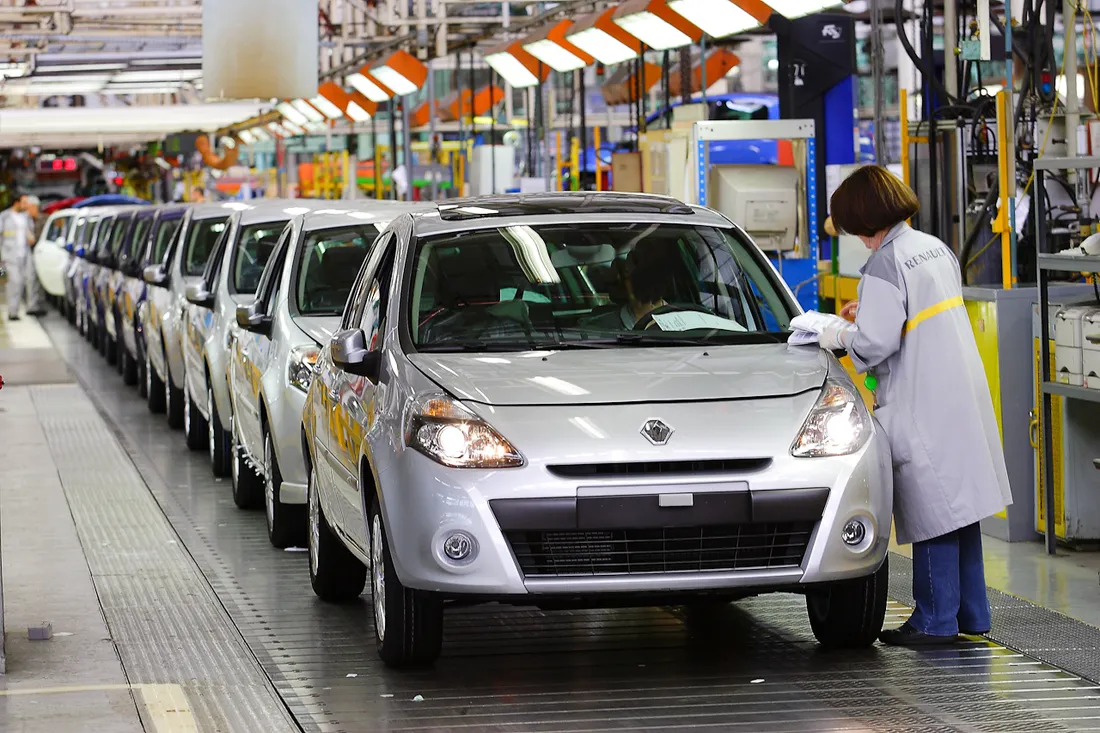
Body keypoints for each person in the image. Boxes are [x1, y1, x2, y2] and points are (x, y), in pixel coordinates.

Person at [819, 165, 1012, 647]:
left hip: (921, 401)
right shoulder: (932, 247)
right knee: (960, 509)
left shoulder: (884, 262)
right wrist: (865, 315)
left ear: (865, 218)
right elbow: (913, 316)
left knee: (932, 510)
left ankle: (933, 620)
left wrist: (835, 332)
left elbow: (873, 345)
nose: (856, 240)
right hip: (956, 392)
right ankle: (971, 612)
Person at [0, 193, 45, 320]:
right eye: (24, 203)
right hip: (10, 255)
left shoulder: (26, 217)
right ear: (17, 203)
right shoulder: (4, 217)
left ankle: (32, 306)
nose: (26, 205)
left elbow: (30, 232)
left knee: (31, 279)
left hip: (25, 253)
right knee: (15, 282)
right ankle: (12, 311)